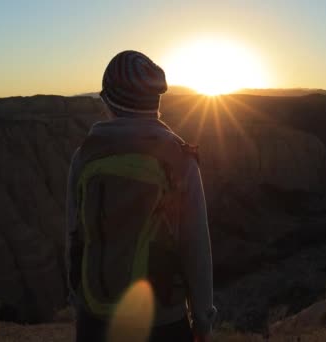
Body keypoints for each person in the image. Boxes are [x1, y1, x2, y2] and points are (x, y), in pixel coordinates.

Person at [66, 50, 216, 342]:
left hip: (95, 315)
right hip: (161, 320)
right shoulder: (179, 158)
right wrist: (202, 320)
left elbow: (73, 236)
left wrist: (79, 303)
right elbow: (195, 247)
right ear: (156, 104)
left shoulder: (84, 155)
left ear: (108, 102)